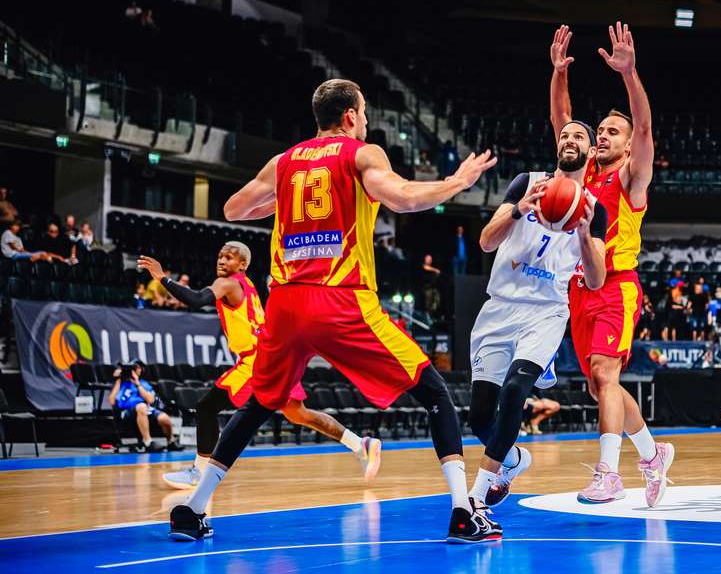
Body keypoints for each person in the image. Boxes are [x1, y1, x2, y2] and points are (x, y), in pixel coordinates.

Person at [169, 79, 501, 544]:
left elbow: (234, 208)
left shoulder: (284, 161)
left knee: (260, 404)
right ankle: (464, 512)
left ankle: (193, 507)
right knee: (434, 392)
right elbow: (405, 198)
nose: (365, 121)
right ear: (349, 116)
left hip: (285, 303)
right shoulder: (362, 154)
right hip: (339, 298)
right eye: (363, 113)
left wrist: (287, 202)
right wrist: (458, 182)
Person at [550, 23, 674, 506]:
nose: (601, 135)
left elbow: (643, 127)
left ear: (627, 146)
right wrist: (559, 73)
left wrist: (630, 72)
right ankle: (652, 453)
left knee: (604, 373)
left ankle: (609, 473)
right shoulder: (579, 172)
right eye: (599, 129)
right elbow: (564, 123)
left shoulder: (631, 179)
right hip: (578, 288)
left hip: (616, 287)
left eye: (611, 131)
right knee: (603, 385)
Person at [137, 247, 380, 490]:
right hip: (274, 355)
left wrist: (161, 277)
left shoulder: (227, 283)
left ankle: (198, 473)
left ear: (242, 265)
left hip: (256, 360)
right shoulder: (247, 284)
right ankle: (360, 444)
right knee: (299, 414)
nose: (221, 260)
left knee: (206, 408)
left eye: (229, 257)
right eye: (220, 255)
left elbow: (198, 299)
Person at [468, 120, 608, 509]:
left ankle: (478, 496)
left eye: (579, 136)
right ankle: (513, 460)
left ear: (591, 152)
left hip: (545, 312)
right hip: (499, 307)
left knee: (515, 391)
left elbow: (596, 281)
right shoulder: (526, 182)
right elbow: (484, 241)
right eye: (565, 135)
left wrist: (582, 235)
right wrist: (518, 209)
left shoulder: (595, 210)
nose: (569, 140)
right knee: (480, 418)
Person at [108, 359, 182, 452]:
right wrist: (118, 380)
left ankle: (171, 441)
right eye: (134, 368)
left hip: (144, 410)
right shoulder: (120, 384)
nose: (136, 370)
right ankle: (148, 442)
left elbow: (150, 400)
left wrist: (137, 383)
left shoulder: (143, 383)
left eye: (137, 367)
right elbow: (112, 402)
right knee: (141, 406)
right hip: (126, 412)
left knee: (165, 418)